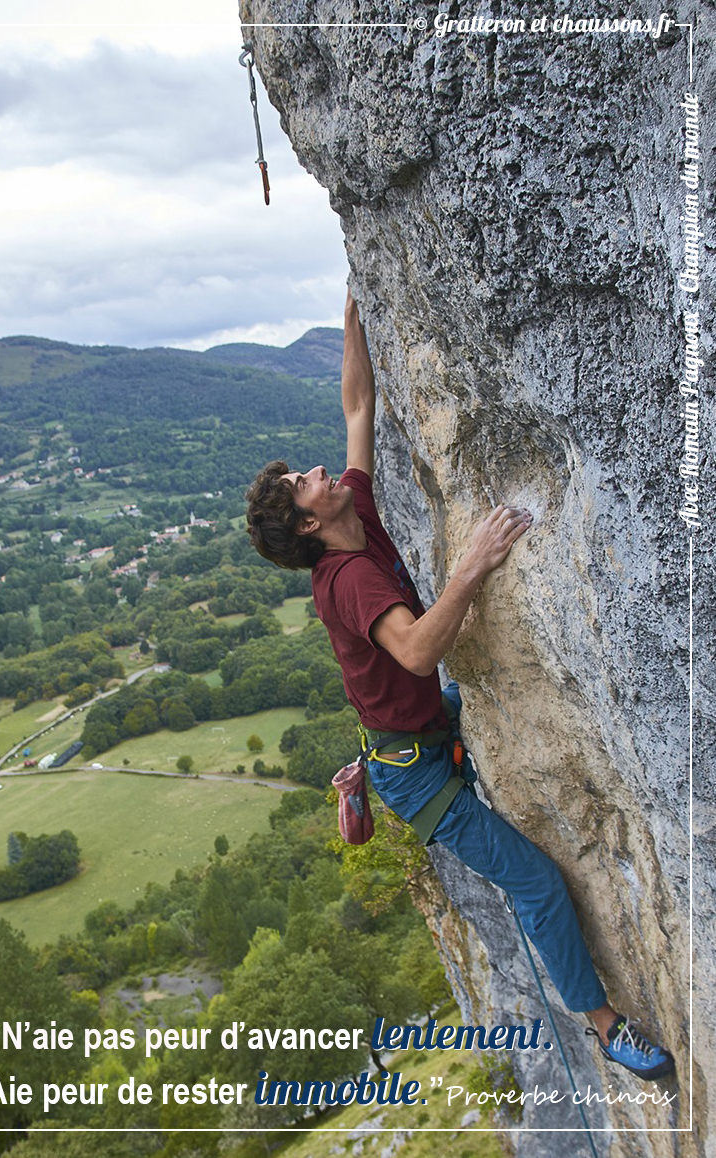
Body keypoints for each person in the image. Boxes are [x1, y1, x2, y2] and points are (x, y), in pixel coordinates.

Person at [245, 289, 674, 1082]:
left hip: (421, 730)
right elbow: (411, 651)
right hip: (415, 775)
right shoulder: (344, 577)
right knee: (539, 883)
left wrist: (353, 314)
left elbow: (359, 405)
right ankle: (606, 1026)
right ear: (307, 525)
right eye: (303, 483)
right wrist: (472, 564)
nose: (317, 471)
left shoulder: (357, 513)